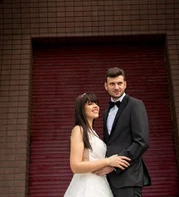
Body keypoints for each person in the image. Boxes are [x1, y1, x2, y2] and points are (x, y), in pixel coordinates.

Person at [95, 67, 151, 197]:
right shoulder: (106, 111)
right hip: (108, 179)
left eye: (119, 83)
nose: (116, 87)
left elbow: (141, 142)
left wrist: (115, 166)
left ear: (125, 84)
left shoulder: (136, 105)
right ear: (106, 86)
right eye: (112, 84)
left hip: (128, 177)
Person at [64, 93, 131, 197]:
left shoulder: (93, 133)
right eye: (90, 104)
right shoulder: (79, 130)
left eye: (96, 103)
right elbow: (75, 166)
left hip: (101, 185)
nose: (96, 106)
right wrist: (108, 161)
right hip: (86, 187)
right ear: (81, 109)